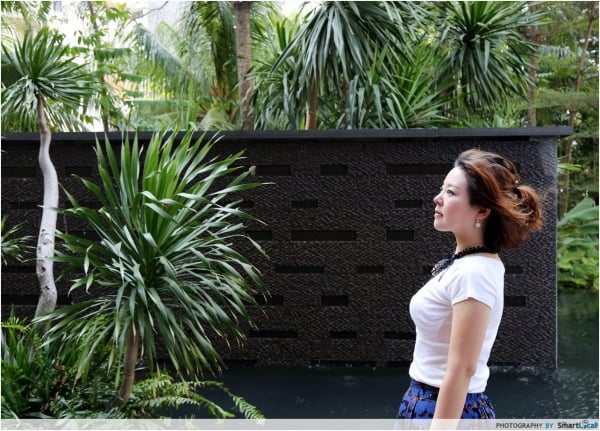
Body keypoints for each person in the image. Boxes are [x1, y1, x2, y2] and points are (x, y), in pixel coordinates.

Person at [396, 149, 543, 426]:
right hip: (430, 401)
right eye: (442, 189)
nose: (437, 198)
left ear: (482, 210)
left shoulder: (474, 272)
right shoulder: (468, 264)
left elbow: (462, 369)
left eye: (450, 192)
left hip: (445, 408)